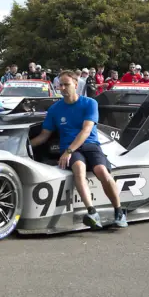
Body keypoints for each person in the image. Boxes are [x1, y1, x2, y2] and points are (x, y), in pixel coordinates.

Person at [29, 70, 128, 229]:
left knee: (102, 171)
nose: (62, 88)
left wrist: (68, 151)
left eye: (66, 84)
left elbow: (86, 131)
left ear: (76, 84)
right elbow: (44, 135)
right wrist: (23, 146)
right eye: (60, 85)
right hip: (71, 150)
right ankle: (92, 212)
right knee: (79, 168)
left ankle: (119, 211)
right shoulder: (54, 109)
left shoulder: (90, 103)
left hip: (89, 145)